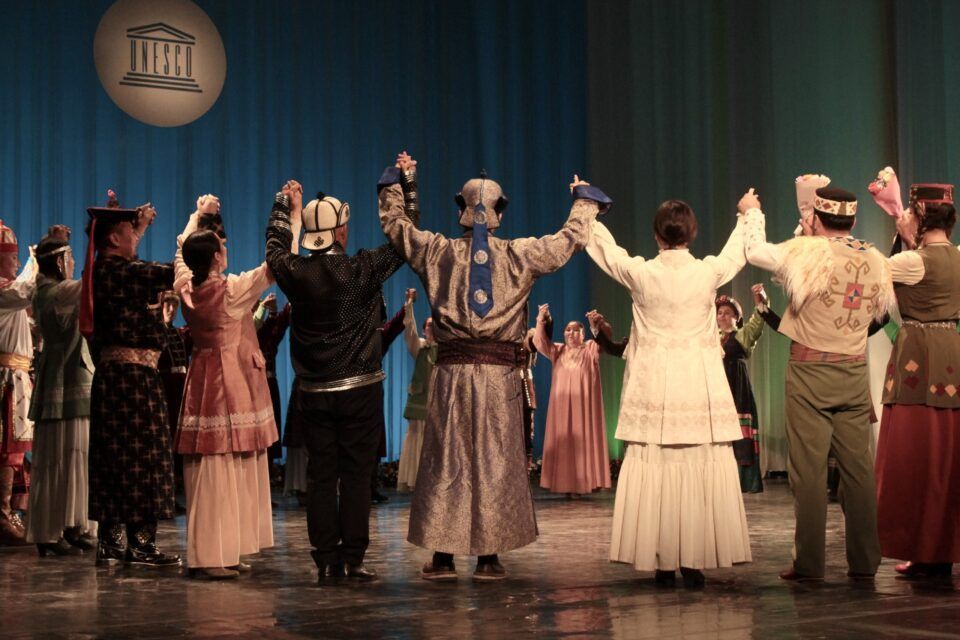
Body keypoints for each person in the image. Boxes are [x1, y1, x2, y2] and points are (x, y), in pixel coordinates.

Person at [381, 150, 610, 582]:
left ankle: (444, 555)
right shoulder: (519, 255)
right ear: (500, 213)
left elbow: (397, 228)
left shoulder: (437, 251)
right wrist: (584, 199)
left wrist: (398, 183)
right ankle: (488, 557)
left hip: (452, 376)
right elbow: (567, 241)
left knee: (448, 459)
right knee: (494, 460)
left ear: (462, 211)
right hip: (498, 378)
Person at [586, 195, 752, 587]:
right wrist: (749, 213)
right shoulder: (706, 272)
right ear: (691, 234)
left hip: (655, 391)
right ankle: (693, 561)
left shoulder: (642, 273)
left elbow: (605, 250)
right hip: (697, 390)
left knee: (658, 470)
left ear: (657, 236)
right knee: (695, 467)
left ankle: (661, 561)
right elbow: (737, 252)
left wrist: (586, 208)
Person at [742, 186, 894, 581]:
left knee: (807, 473)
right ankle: (865, 561)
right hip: (853, 371)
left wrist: (753, 212)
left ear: (815, 218)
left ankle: (809, 563)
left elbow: (755, 252)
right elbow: (883, 315)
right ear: (853, 220)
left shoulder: (807, 253)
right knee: (858, 471)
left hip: (810, 372)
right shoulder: (875, 259)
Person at [266, 177, 404, 584]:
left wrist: (284, 205)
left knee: (321, 476)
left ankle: (327, 561)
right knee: (357, 475)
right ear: (340, 231)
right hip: (359, 389)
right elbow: (405, 240)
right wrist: (403, 188)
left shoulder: (296, 272)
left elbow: (274, 248)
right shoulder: (362, 268)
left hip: (313, 392)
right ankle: (354, 558)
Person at [173, 194, 277, 580]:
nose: (225, 249)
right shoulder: (230, 292)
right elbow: (272, 268)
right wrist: (290, 217)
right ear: (217, 258)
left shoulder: (186, 287)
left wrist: (197, 215)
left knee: (220, 467)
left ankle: (223, 549)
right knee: (218, 467)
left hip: (202, 378)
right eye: (221, 246)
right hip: (225, 384)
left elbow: (181, 253)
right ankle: (210, 556)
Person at [82, 191, 181, 568]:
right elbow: (164, 272)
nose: (135, 238)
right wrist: (193, 235)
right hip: (130, 382)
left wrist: (136, 227)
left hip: (128, 380)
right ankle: (136, 544)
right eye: (129, 232)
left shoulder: (111, 269)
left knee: (122, 457)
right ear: (113, 238)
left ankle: (117, 542)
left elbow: (140, 264)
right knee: (139, 457)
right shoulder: (114, 270)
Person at [875, 183, 960, 579]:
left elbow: (874, 277)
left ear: (921, 217)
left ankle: (925, 548)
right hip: (952, 355)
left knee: (917, 457)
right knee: (947, 457)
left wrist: (905, 239)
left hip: (919, 359)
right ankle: (938, 549)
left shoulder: (913, 261)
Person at [26, 225, 98, 555]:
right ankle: (53, 530)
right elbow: (91, 283)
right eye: (68, 258)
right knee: (65, 456)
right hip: (65, 379)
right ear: (58, 262)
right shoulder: (56, 292)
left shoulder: (46, 291)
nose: (72, 263)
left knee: (68, 456)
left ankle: (71, 524)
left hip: (63, 377)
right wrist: (98, 238)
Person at [533, 303, 610, 497]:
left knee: (583, 442)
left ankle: (584, 483)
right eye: (568, 329)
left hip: (584, 409)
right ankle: (565, 484)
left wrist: (597, 324)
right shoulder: (557, 350)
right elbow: (539, 342)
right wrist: (541, 319)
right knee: (564, 443)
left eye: (576, 330)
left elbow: (606, 339)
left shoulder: (591, 348)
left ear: (583, 333)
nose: (571, 333)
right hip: (562, 409)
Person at [0, 219, 36, 545]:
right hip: (5, 379)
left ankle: (11, 512)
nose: (16, 262)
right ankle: (1, 514)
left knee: (16, 450)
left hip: (17, 377)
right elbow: (26, 290)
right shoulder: (4, 291)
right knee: (7, 449)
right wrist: (40, 260)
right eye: (12, 257)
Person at [715, 293, 766, 494]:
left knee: (738, 431)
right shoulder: (710, 337)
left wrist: (760, 302)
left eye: (728, 313)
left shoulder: (742, 335)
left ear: (736, 318)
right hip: (716, 389)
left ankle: (742, 480)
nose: (722, 316)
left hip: (737, 388)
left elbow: (757, 323)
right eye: (720, 312)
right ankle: (719, 480)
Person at [397, 288, 436, 492]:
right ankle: (415, 480)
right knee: (417, 439)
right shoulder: (420, 347)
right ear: (424, 330)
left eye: (435, 325)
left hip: (439, 406)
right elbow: (409, 330)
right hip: (420, 404)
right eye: (429, 325)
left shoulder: (446, 350)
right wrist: (409, 304)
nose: (432, 328)